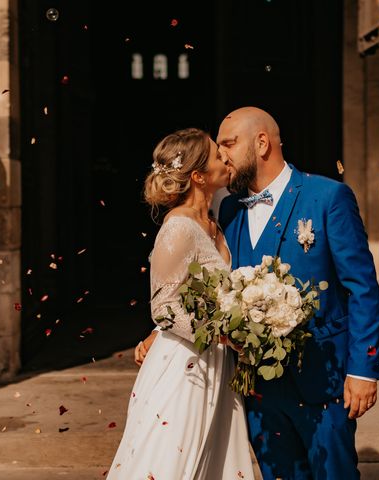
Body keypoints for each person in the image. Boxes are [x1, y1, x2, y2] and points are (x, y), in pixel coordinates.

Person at [216, 107, 379, 479]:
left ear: (262, 143)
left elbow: (362, 289)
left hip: (323, 379)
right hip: (258, 385)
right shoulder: (228, 210)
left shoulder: (328, 197)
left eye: (228, 143)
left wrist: (363, 369)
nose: (221, 154)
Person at [106, 128, 258, 480]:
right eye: (216, 155)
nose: (224, 156)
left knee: (211, 462)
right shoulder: (178, 228)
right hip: (184, 366)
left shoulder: (215, 222)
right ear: (198, 176)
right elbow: (164, 307)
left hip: (216, 363)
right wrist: (223, 334)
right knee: (173, 460)